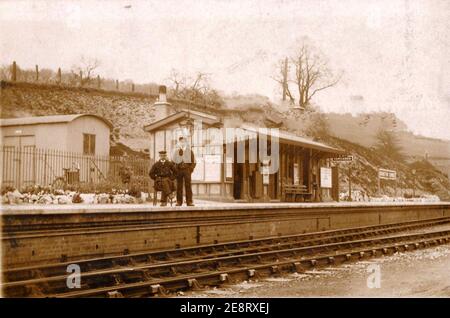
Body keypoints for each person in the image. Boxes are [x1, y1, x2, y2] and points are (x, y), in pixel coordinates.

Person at [172, 136, 196, 206]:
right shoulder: (177, 152)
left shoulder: (190, 151)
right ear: (179, 143)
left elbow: (194, 162)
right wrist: (175, 169)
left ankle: (189, 202)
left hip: (187, 170)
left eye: (183, 141)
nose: (182, 143)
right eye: (181, 142)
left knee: (188, 186)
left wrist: (190, 169)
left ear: (186, 142)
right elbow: (173, 162)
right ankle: (179, 202)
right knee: (179, 186)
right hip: (179, 171)